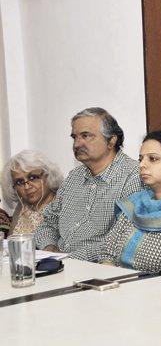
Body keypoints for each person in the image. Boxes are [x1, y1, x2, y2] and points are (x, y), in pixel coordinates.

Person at [35, 107, 143, 261]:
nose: (77, 144)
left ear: (111, 141)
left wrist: (69, 258)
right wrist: (50, 248)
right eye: (74, 137)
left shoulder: (133, 175)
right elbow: (49, 222)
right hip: (60, 263)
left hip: (101, 268)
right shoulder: (74, 177)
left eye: (86, 136)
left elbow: (124, 237)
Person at [99, 131, 161, 273]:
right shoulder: (134, 203)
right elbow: (107, 253)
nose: (142, 165)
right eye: (141, 159)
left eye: (153, 159)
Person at [1, 150, 63, 235]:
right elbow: (10, 242)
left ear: (48, 175)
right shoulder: (22, 207)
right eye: (19, 182)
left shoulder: (63, 205)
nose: (27, 187)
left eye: (33, 177)